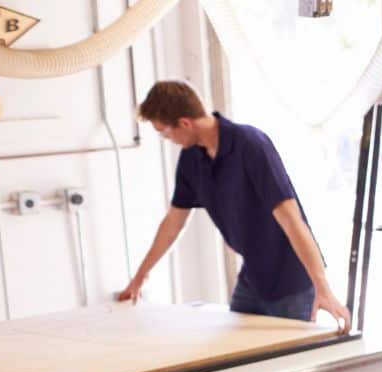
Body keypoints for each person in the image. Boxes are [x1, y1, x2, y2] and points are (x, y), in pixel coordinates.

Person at [118, 80, 350, 331]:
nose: (167, 139)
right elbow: (173, 222)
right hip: (253, 276)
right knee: (237, 350)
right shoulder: (192, 158)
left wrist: (322, 287)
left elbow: (291, 219)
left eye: (165, 132)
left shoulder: (250, 144)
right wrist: (141, 275)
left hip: (291, 281)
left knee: (290, 361)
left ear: (185, 123)